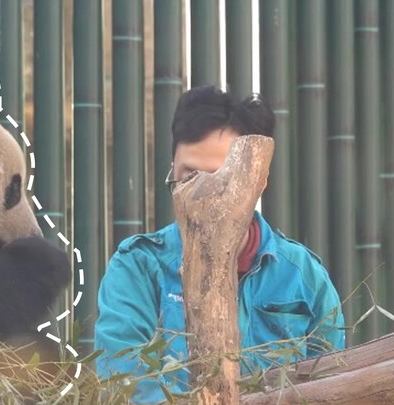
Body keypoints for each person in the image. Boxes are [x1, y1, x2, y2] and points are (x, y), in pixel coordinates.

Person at [93, 85, 345, 404]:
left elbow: (333, 383)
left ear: (259, 179)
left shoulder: (303, 277)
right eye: (187, 177)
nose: (201, 195)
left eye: (218, 180)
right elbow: (122, 382)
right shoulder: (138, 266)